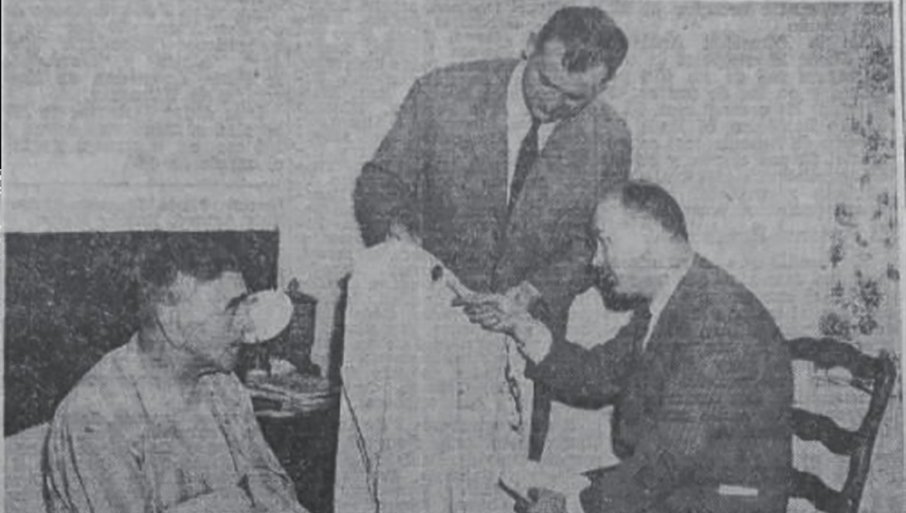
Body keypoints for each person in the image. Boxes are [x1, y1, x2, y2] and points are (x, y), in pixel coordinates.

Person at [354, 6, 631, 459]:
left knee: (508, 474)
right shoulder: (443, 93)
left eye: (573, 99)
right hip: (427, 324)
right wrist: (400, 240)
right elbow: (380, 182)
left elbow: (592, 242)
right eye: (546, 82)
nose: (551, 104)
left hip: (526, 334)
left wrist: (533, 291)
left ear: (603, 86)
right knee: (418, 463)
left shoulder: (611, 138)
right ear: (530, 44)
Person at [464, 181, 794, 513]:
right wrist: (521, 326)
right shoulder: (677, 298)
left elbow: (667, 459)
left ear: (649, 236)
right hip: (679, 488)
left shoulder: (719, 322)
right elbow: (597, 374)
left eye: (605, 242)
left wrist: (574, 505)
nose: (596, 260)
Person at [43, 235, 308, 513]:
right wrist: (239, 498)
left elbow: (274, 490)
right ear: (170, 321)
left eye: (245, 304)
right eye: (232, 308)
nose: (247, 324)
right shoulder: (96, 415)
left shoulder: (222, 385)